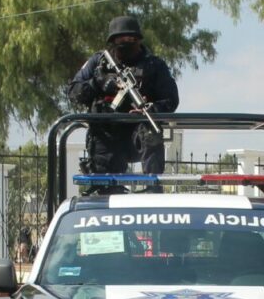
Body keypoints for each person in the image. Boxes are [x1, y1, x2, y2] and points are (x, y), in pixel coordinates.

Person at [66, 15, 179, 184]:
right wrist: (97, 83)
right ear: (113, 41)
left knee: (151, 132)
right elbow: (73, 92)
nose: (126, 42)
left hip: (138, 132)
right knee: (105, 186)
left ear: (138, 40)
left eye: (131, 39)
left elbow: (171, 99)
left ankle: (153, 186)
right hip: (106, 133)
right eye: (121, 39)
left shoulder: (154, 65)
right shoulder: (99, 62)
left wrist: (151, 109)